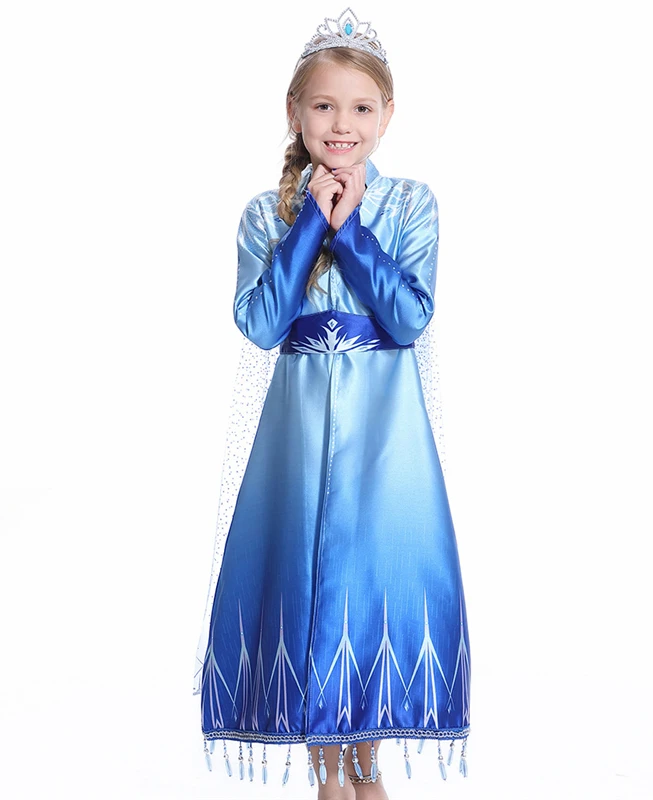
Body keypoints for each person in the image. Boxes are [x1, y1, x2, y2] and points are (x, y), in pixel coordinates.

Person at [193, 7, 471, 797]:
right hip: (297, 443)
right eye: (323, 105)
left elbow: (409, 318)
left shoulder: (410, 204)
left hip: (386, 445)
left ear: (387, 116)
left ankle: (367, 771)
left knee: (367, 590)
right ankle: (328, 777)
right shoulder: (267, 212)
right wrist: (311, 220)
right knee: (306, 588)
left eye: (360, 107)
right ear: (295, 112)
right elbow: (260, 324)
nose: (341, 124)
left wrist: (351, 233)